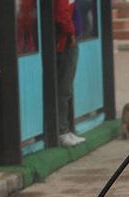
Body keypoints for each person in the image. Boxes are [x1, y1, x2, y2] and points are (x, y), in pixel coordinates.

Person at [55, 0, 86, 147]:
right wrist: (71, 33)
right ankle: (62, 131)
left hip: (69, 41)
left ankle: (67, 129)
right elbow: (62, 14)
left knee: (68, 88)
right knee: (64, 88)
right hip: (66, 43)